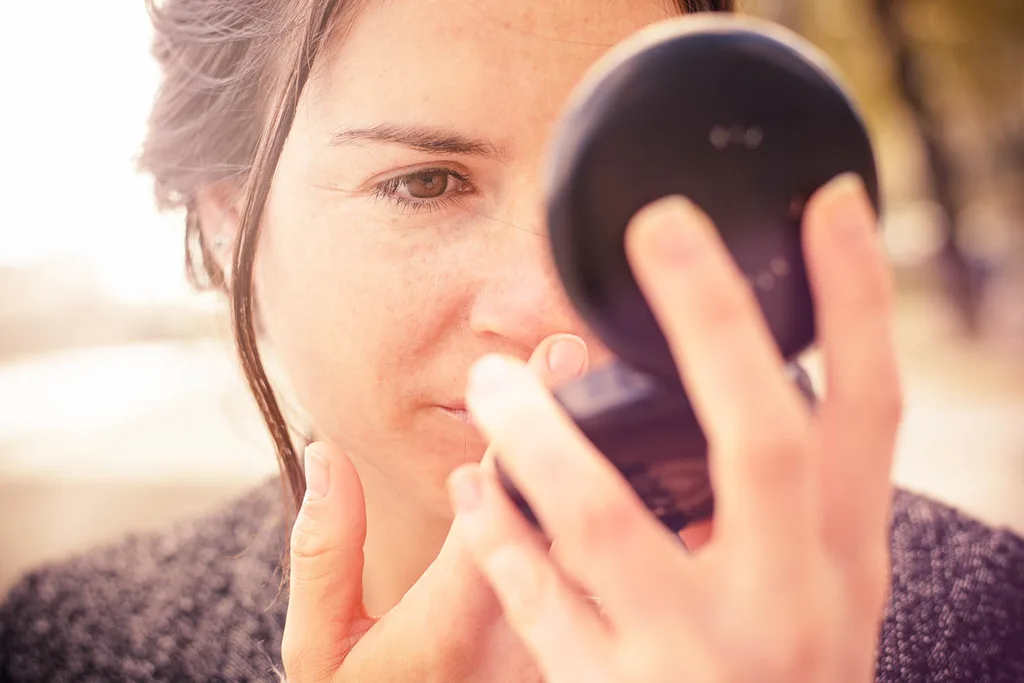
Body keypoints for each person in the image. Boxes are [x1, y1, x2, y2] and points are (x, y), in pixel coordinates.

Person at [1, 0, 1022, 680]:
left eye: (636, 184)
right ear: (230, 226)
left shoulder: (988, 621)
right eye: (424, 183)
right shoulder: (69, 641)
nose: (554, 311)